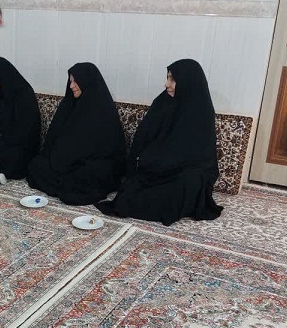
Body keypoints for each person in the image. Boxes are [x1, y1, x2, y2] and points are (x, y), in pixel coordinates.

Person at [95, 58, 223, 226]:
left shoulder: (200, 111)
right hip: (157, 165)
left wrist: (165, 163)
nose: (166, 84)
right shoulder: (162, 103)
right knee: (132, 186)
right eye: (167, 78)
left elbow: (199, 158)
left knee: (187, 183)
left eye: (172, 79)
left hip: (185, 170)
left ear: (187, 82)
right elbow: (144, 140)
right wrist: (149, 160)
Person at [27, 62, 126, 205]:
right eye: (70, 81)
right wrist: (61, 156)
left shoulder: (103, 110)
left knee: (95, 172)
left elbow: (106, 150)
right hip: (64, 160)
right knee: (36, 164)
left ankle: (63, 184)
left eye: (75, 81)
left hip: (87, 163)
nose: (71, 86)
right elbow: (53, 138)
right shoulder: (69, 105)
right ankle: (64, 184)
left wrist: (75, 158)